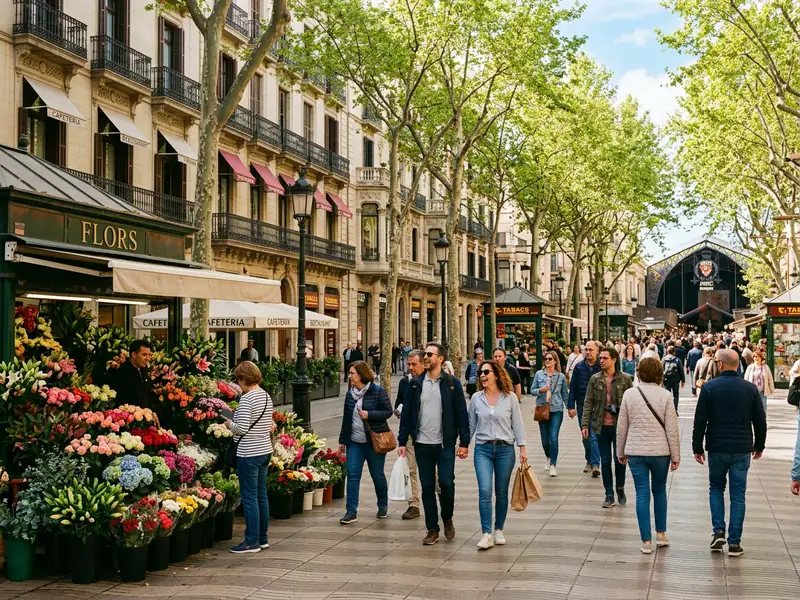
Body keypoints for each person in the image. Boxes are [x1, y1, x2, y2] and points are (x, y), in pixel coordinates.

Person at [692, 349, 767, 557]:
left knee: (716, 488)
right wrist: (759, 445)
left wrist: (697, 446)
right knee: (738, 494)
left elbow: (700, 420)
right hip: (741, 448)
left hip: (717, 447)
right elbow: (760, 421)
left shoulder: (709, 388)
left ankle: (718, 531)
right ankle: (734, 542)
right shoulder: (750, 389)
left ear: (721, 365)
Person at [398, 342, 470, 545]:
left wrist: (464, 442)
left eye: (430, 354)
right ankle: (432, 528)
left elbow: (461, 415)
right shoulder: (414, 384)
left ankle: (447, 516)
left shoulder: (452, 384)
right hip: (421, 443)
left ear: (441, 359)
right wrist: (402, 440)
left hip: (444, 443)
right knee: (427, 487)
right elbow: (407, 415)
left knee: (446, 482)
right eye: (425, 353)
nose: (426, 357)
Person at [617, 357, 680, 554]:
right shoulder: (666, 395)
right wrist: (676, 455)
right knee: (659, 491)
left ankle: (646, 541)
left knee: (642, 493)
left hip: (635, 452)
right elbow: (672, 428)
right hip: (661, 453)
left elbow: (622, 426)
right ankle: (661, 534)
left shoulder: (629, 394)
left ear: (639, 372)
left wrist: (620, 451)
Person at [468, 360, 527, 550]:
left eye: (486, 372)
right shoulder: (476, 398)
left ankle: (498, 529)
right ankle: (486, 533)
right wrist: (462, 445)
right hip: (483, 449)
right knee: (485, 491)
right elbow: (471, 425)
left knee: (501, 492)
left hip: (505, 449)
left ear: (496, 374)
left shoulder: (509, 397)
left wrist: (523, 447)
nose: (482, 375)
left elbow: (517, 423)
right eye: (480, 373)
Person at [226, 361, 273, 553]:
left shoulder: (247, 399)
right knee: (261, 495)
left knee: (249, 497)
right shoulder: (265, 396)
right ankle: (262, 537)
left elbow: (241, 428)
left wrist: (228, 424)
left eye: (238, 379)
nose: (238, 383)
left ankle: (251, 541)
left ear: (244, 378)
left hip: (248, 452)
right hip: (264, 450)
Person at [338, 360, 393, 524]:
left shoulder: (378, 391)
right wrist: (342, 440)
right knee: (353, 476)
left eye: (352, 373)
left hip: (373, 441)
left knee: (377, 475)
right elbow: (346, 419)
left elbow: (387, 411)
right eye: (349, 373)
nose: (349, 376)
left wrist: (369, 414)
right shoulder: (350, 393)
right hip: (354, 442)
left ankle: (382, 505)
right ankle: (351, 511)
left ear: (361, 375)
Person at [581, 346, 633, 508]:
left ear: (614, 360)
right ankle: (609, 494)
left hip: (620, 427)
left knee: (620, 461)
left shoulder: (625, 379)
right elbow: (588, 402)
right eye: (600, 358)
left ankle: (620, 488)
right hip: (601, 426)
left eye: (604, 358)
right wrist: (585, 424)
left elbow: (631, 403)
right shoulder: (595, 379)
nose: (601, 360)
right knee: (605, 461)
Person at [394, 350, 425, 520]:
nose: (411, 368)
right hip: (412, 434)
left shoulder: (430, 383)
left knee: (433, 473)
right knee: (411, 469)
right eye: (409, 364)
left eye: (414, 364)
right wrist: (398, 408)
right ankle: (413, 504)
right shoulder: (404, 382)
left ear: (423, 363)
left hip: (430, 435)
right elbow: (400, 401)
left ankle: (441, 498)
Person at [532, 351, 568, 477]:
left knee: (553, 437)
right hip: (542, 409)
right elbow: (532, 390)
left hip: (556, 409)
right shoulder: (539, 374)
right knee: (544, 440)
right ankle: (548, 457)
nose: (547, 361)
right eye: (545, 359)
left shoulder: (561, 376)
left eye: (550, 359)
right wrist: (540, 390)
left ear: (555, 361)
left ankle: (553, 464)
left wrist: (570, 407)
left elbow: (564, 393)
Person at [568, 341, 601, 476]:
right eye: (586, 350)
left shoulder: (601, 366)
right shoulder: (579, 367)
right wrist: (570, 406)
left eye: (590, 350)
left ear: (597, 351)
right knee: (585, 436)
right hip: (582, 405)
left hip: (598, 406)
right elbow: (573, 388)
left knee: (593, 435)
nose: (588, 352)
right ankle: (589, 459)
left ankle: (595, 464)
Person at [114, 340, 153, 409]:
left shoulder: (144, 370)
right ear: (134, 355)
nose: (148, 358)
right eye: (144, 355)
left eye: (149, 355)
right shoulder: (122, 372)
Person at [743, 350, 774, 416]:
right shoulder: (750, 367)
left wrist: (771, 389)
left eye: (758, 357)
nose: (756, 358)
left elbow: (770, 379)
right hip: (752, 391)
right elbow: (746, 379)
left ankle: (762, 422)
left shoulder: (766, 367)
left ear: (761, 358)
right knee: (752, 408)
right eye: (755, 357)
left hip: (762, 391)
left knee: (763, 408)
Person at [662, 345, 685, 415]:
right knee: (676, 395)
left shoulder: (663, 359)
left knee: (666, 395)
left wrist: (660, 380)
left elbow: (661, 369)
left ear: (667, 351)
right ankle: (675, 410)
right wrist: (683, 380)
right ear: (674, 352)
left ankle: (667, 410)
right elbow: (681, 370)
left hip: (666, 380)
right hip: (675, 380)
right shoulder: (677, 360)